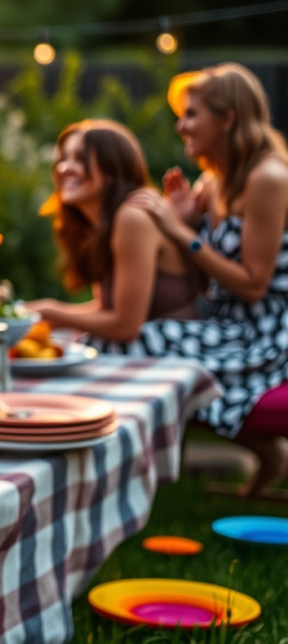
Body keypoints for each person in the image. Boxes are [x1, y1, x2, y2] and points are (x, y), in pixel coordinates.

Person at [126, 63, 288, 497]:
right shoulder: (214, 183)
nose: (181, 126)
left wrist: (181, 234)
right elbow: (206, 280)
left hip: (267, 332)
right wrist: (187, 225)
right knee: (134, 342)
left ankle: (143, 481)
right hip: (224, 321)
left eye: (192, 114)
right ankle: (267, 457)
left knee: (137, 343)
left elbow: (254, 284)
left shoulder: (268, 178)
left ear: (228, 117)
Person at [25, 120, 200, 342]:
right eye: (63, 159)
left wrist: (51, 313)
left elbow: (125, 326)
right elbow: (106, 309)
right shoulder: (102, 223)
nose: (64, 168)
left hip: (175, 347)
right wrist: (29, 312)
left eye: (79, 158)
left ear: (111, 168)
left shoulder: (132, 218)